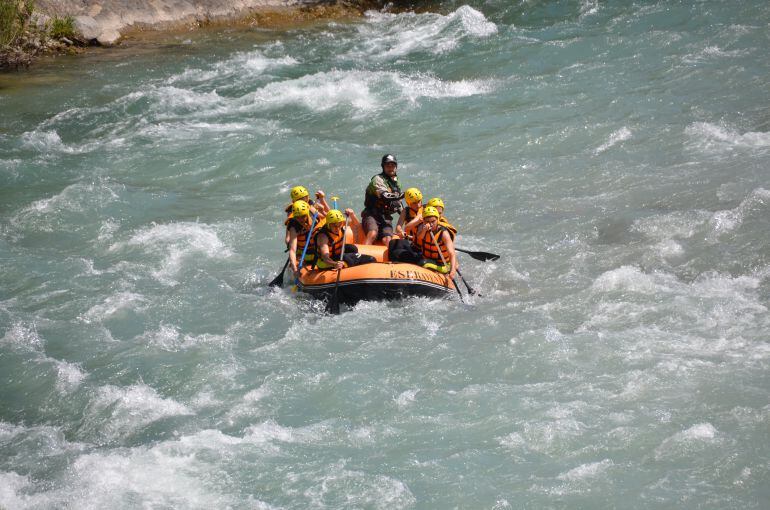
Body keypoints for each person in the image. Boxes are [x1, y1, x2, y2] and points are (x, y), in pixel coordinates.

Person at [361, 154, 404, 246]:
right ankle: (361, 255)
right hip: (371, 214)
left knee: (387, 239)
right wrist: (402, 195)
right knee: (373, 233)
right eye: (387, 165)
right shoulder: (377, 179)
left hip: (385, 216)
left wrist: (407, 217)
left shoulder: (397, 183)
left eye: (392, 165)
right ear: (383, 167)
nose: (390, 168)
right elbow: (385, 196)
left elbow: (398, 204)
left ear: (396, 167)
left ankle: (391, 258)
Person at [285, 200, 323, 279]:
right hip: (306, 253)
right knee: (309, 256)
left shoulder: (314, 216)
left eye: (303, 216)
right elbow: (292, 250)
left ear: (307, 213)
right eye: (297, 217)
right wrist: (295, 269)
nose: (301, 219)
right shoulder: (294, 226)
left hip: (318, 249)